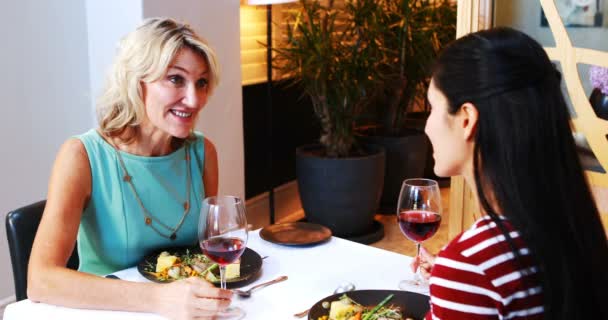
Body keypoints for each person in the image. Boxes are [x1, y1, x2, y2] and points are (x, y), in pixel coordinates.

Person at [28, 17, 232, 319]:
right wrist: (159, 300)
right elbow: (40, 280)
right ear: (136, 82)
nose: (194, 99)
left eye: (201, 83)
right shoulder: (81, 155)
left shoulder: (202, 152)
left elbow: (204, 254)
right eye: (176, 79)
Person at [414, 27, 608, 319]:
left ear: (467, 119)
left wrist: (461, 277)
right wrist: (458, 288)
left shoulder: (472, 265)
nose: (427, 126)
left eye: (432, 108)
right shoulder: (573, 224)